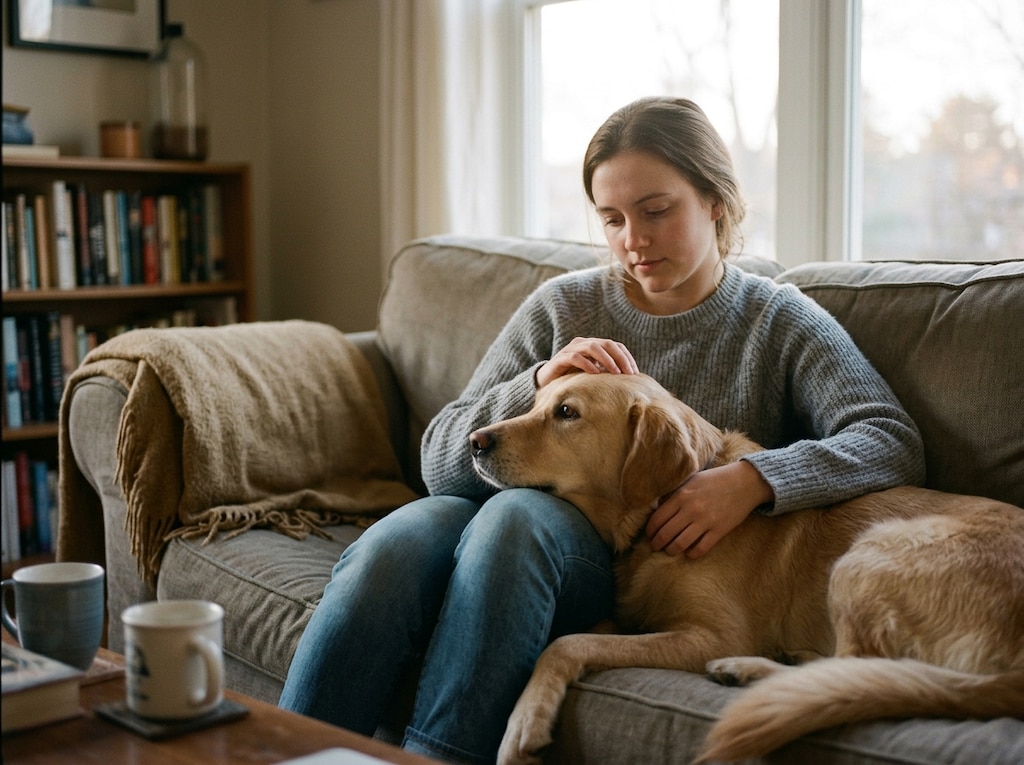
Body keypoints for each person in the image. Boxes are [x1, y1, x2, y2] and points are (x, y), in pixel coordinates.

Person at [279, 96, 925, 764]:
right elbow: (441, 460)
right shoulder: (564, 304)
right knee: (392, 545)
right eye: (611, 218)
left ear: (715, 201)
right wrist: (534, 382)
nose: (632, 240)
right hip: (487, 509)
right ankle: (280, 752)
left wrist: (754, 480)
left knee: (514, 524)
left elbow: (889, 437)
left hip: (605, 554)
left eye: (655, 210)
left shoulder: (778, 321)